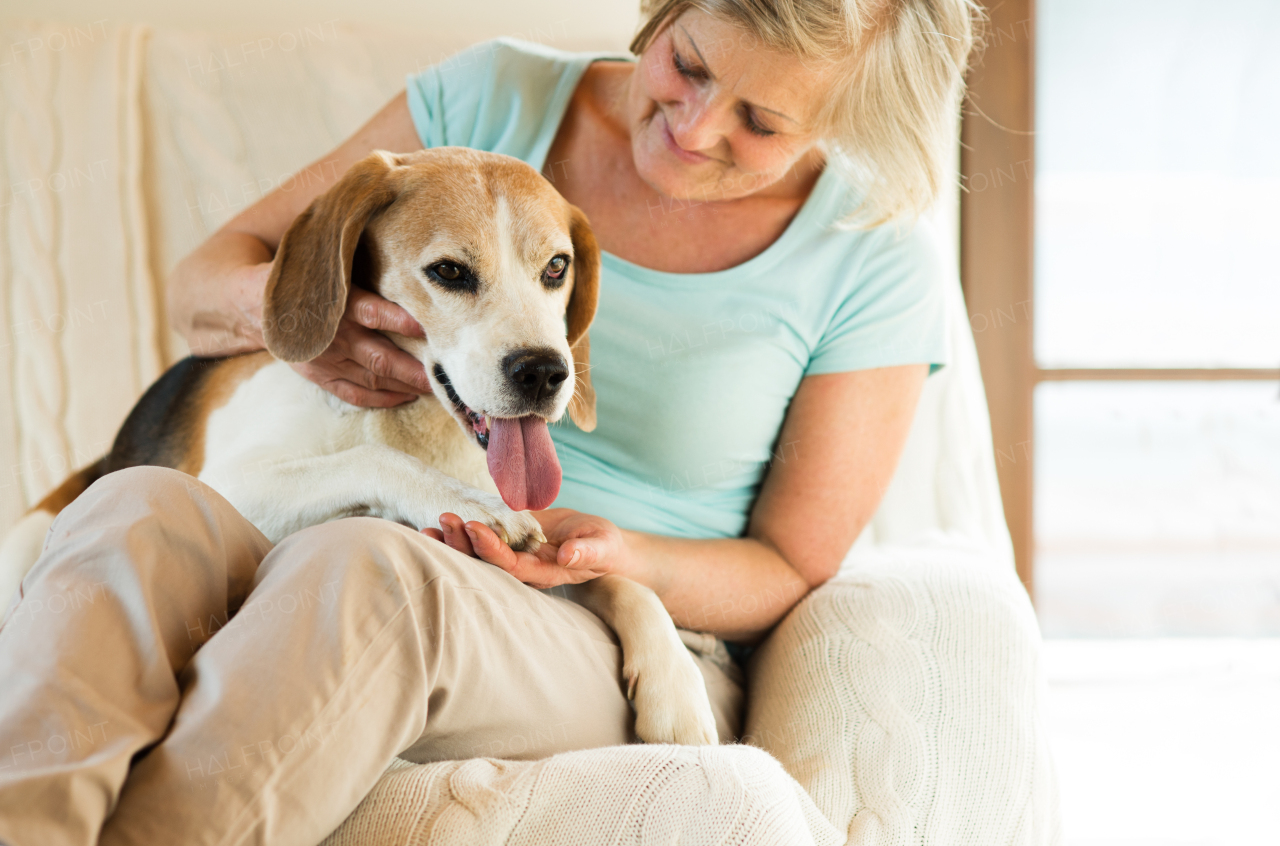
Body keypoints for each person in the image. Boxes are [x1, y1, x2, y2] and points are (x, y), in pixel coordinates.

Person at [0, 1, 978, 843]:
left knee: (365, 569)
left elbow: (791, 563)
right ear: (663, 14)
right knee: (132, 506)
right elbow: (205, 284)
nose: (692, 124)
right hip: (375, 504)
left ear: (839, 121)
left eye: (760, 120)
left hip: (600, 629)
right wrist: (317, 319)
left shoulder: (875, 262)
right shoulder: (490, 98)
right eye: (685, 65)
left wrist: (612, 560)